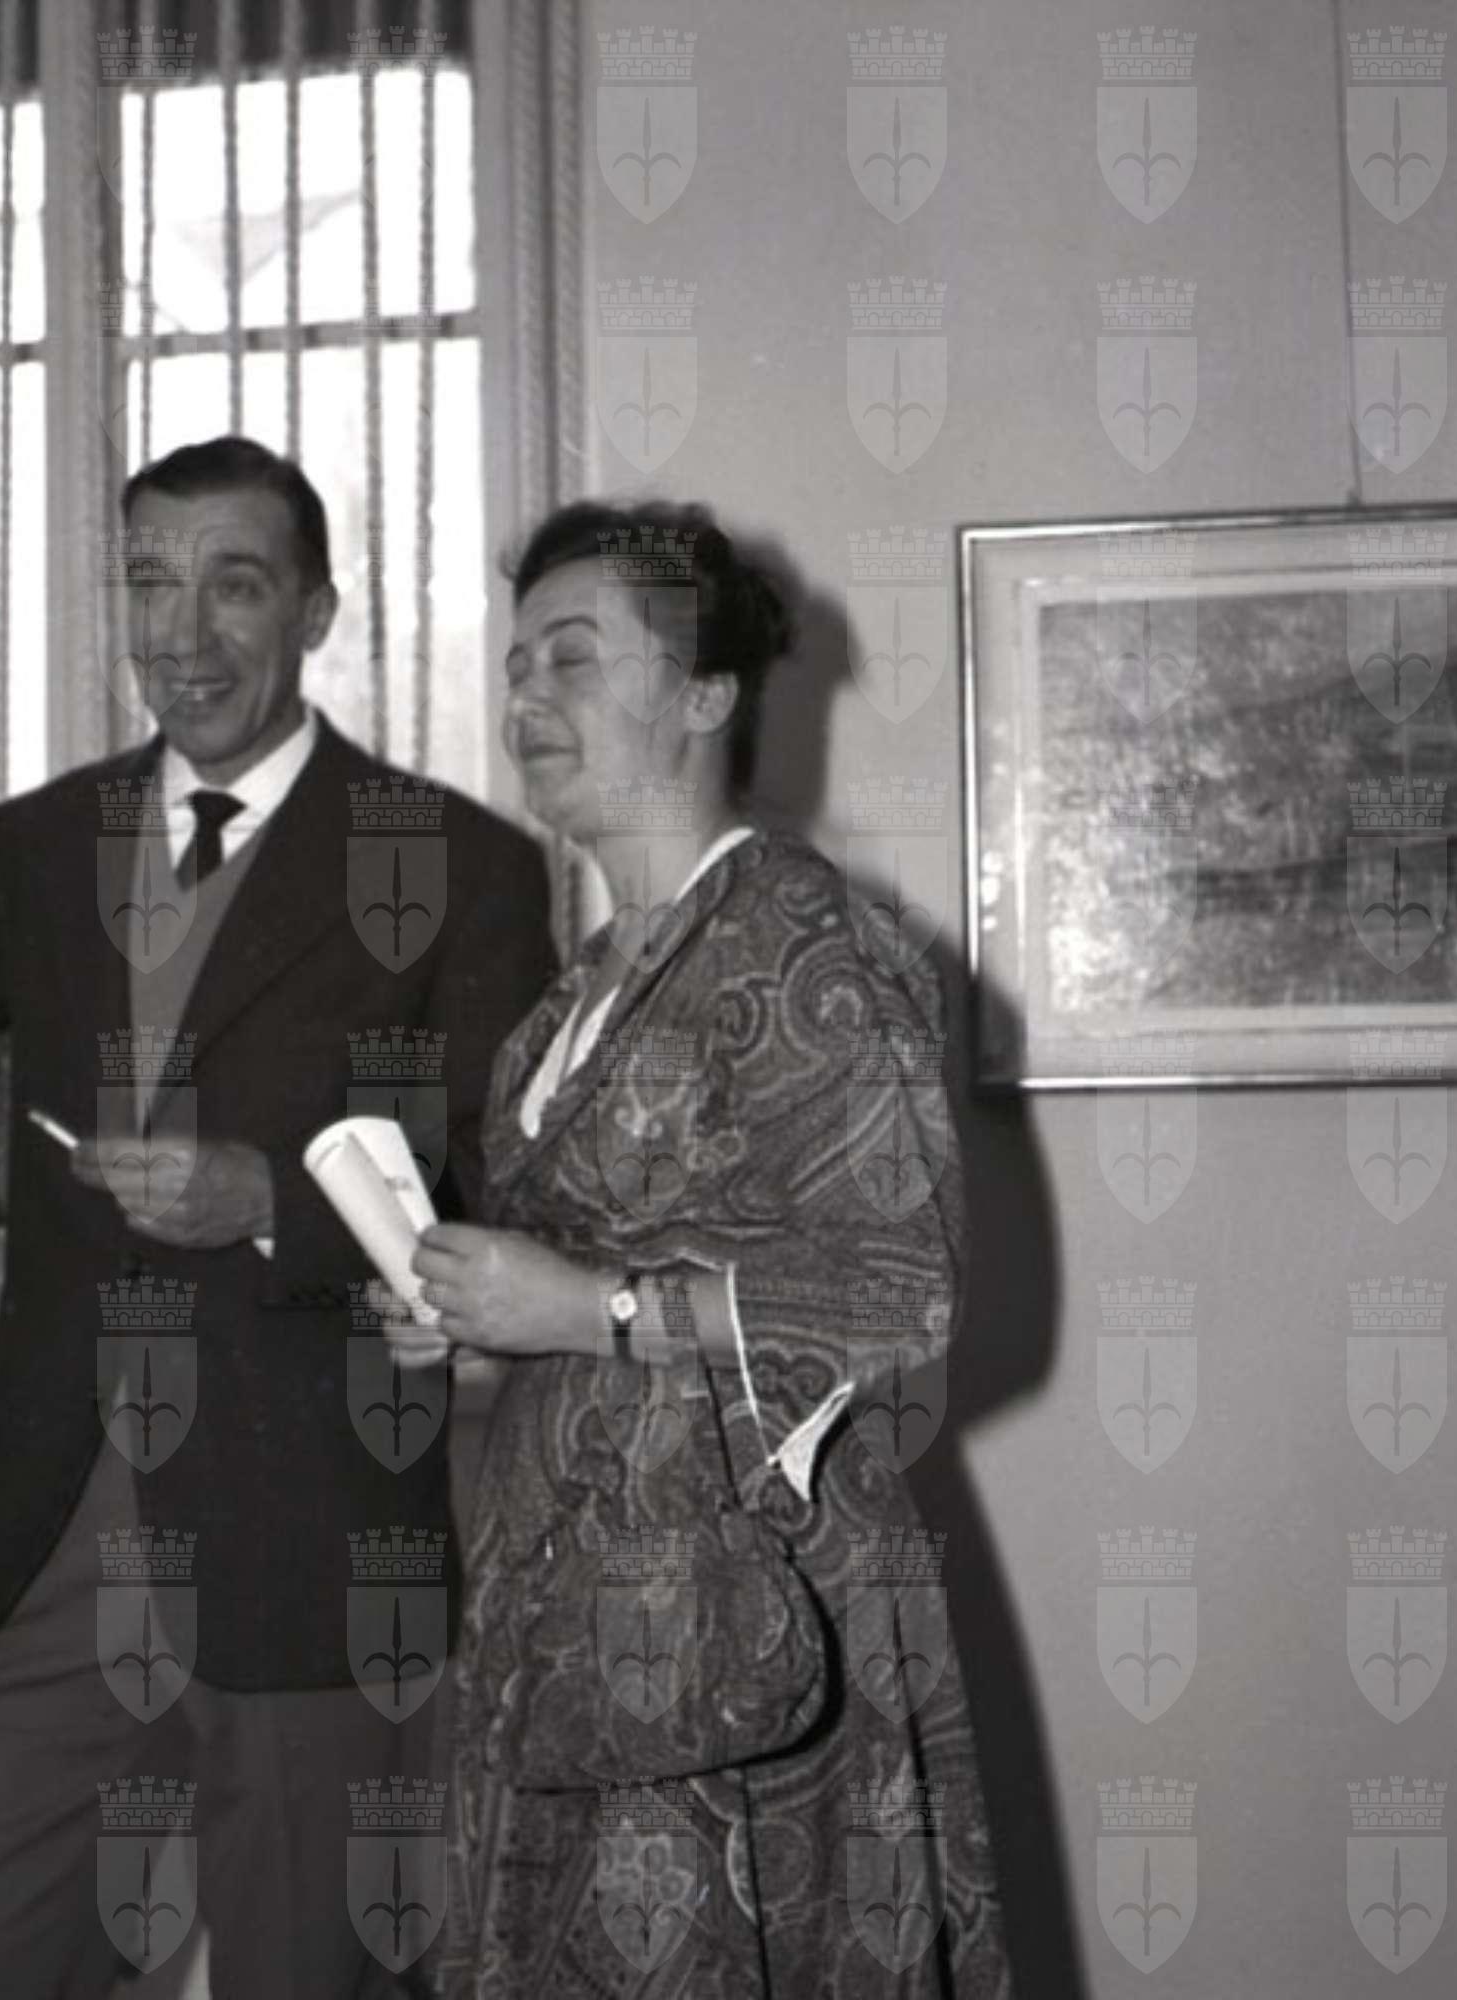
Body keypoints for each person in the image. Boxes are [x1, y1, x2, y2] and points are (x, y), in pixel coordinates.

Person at [0, 435, 557, 1998]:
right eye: (149, 584)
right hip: (46, 1540)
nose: (181, 635)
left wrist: (271, 1202)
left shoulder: (462, 864)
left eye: (233, 586)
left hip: (316, 1552)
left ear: (316, 613)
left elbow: (500, 1174)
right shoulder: (38, 846)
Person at [409, 500, 1012, 1995]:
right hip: (569, 1624)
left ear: (703, 697)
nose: (524, 697)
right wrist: (482, 1314)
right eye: (516, 664)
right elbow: (580, 1292)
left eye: (572, 658)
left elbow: (903, 1297)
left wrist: (591, 1312)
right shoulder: (569, 1003)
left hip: (744, 1635)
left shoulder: (807, 943)